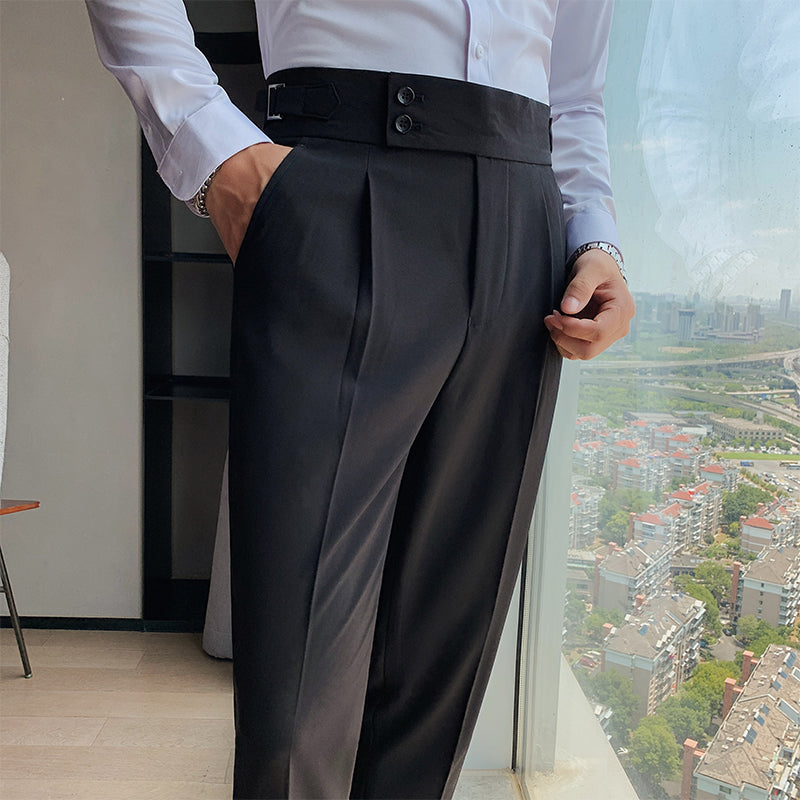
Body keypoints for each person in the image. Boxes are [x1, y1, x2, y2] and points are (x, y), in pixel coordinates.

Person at [86, 3, 635, 798]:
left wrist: (595, 237)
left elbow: (575, 95)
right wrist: (217, 152)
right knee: (298, 694)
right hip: (341, 180)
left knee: (442, 671)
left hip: (526, 227)